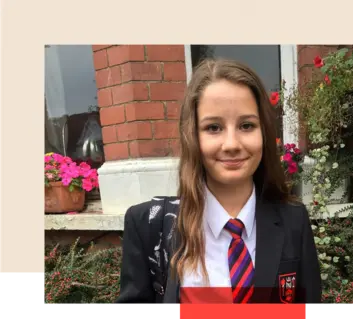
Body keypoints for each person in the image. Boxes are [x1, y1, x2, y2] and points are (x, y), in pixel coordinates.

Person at [114, 58, 321, 311]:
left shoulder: (293, 220)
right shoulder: (149, 226)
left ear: (264, 133)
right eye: (213, 127)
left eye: (247, 125)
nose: (232, 144)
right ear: (192, 135)